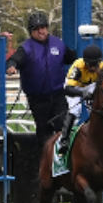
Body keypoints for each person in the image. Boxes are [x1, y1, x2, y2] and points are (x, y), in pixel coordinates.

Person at [5, 12, 76, 141]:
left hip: (58, 96)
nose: (40, 31)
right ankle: (44, 158)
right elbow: (14, 59)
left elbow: (73, 58)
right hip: (38, 99)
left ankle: (64, 157)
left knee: (64, 127)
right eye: (36, 29)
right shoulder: (26, 48)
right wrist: (12, 66)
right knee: (44, 132)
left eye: (42, 28)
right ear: (31, 32)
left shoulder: (58, 44)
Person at [57, 44, 103, 157]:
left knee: (96, 110)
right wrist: (82, 94)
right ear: (85, 62)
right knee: (75, 111)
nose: (93, 68)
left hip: (90, 85)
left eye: (96, 64)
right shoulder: (78, 67)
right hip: (75, 87)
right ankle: (64, 140)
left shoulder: (102, 66)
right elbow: (68, 89)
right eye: (90, 64)